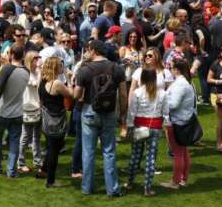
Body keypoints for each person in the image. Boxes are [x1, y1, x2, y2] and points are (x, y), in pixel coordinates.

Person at [73, 40, 127, 197]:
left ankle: (87, 188)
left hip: (89, 111)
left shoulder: (84, 70)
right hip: (109, 112)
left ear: (93, 51)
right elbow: (123, 95)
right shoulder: (117, 68)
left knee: (88, 151)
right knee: (109, 151)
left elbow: (76, 95)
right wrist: (122, 114)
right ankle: (113, 189)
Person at [0, 44, 29, 177]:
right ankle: (12, 171)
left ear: (12, 54)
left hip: (2, 111)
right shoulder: (26, 71)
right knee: (14, 142)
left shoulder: (7, 69)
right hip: (18, 113)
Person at [125, 68, 168, 197]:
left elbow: (132, 112)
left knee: (135, 155)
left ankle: (129, 183)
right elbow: (166, 113)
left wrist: (129, 126)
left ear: (142, 78)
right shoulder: (162, 93)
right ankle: (147, 188)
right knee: (151, 158)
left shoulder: (137, 93)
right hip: (155, 127)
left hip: (139, 127)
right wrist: (166, 125)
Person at [39, 56, 74, 188]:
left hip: (46, 119)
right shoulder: (57, 83)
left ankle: (43, 170)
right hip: (56, 120)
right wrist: (69, 79)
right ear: (55, 67)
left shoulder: (42, 81)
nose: (62, 67)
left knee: (51, 147)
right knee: (54, 150)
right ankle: (51, 181)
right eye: (60, 65)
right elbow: (71, 95)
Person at [162, 58, 195, 189]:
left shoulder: (180, 84)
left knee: (178, 153)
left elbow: (174, 104)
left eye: (171, 67)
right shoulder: (184, 82)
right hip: (182, 121)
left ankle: (175, 182)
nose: (170, 69)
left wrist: (162, 103)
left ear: (176, 69)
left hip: (177, 122)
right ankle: (183, 179)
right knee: (183, 152)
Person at [17, 51, 42, 174]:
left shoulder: (37, 72)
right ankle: (20, 162)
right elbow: (36, 85)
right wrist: (41, 71)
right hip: (28, 107)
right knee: (25, 136)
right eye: (35, 58)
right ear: (29, 60)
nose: (38, 60)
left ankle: (37, 160)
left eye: (39, 57)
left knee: (37, 136)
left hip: (38, 106)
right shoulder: (25, 73)